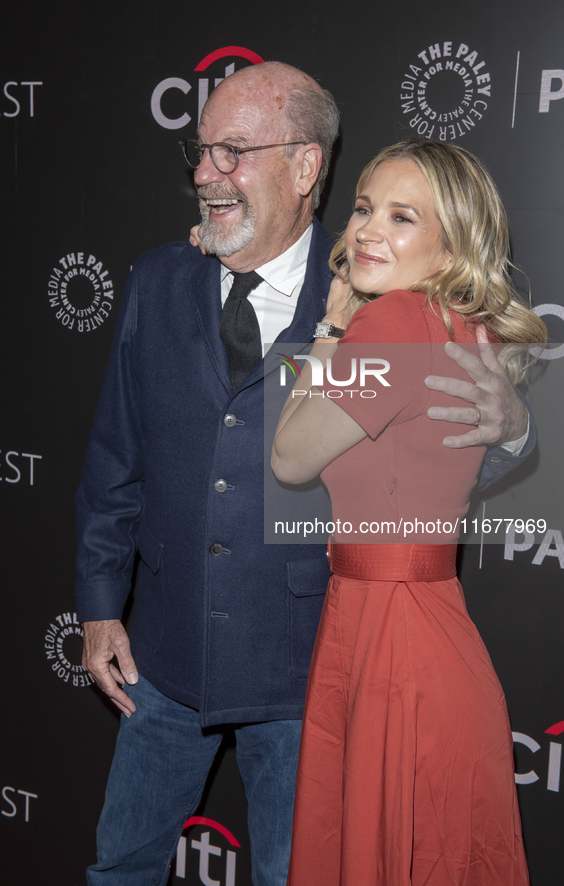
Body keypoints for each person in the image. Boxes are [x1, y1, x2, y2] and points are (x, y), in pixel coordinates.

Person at [76, 62, 535, 886]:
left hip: (306, 664)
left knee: (301, 871)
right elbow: (117, 456)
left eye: (233, 151)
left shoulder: (375, 294)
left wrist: (515, 426)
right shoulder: (158, 278)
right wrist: (102, 607)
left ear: (303, 167)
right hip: (165, 654)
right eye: (203, 150)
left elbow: (448, 436)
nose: (206, 172)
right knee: (120, 867)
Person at [271, 140, 546, 886]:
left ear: (450, 243)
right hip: (416, 623)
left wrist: (328, 332)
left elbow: (289, 460)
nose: (365, 230)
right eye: (362, 208)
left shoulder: (391, 324)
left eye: (401, 217)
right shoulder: (459, 324)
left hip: (390, 636)